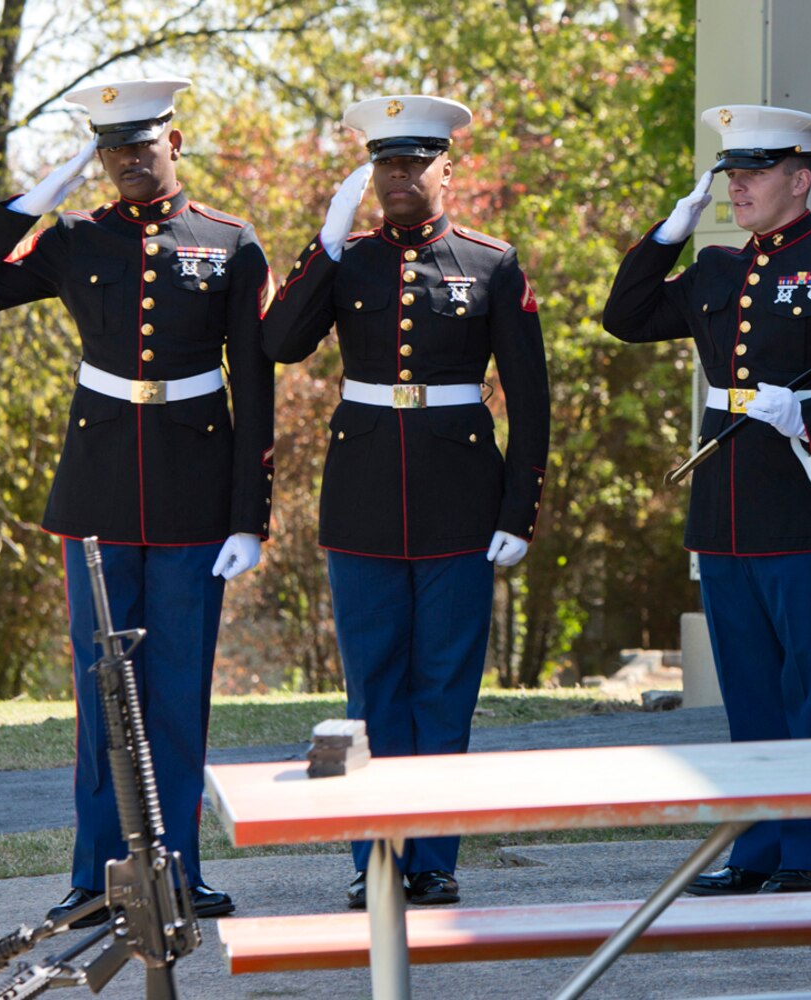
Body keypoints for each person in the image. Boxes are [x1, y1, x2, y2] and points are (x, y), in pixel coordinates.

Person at [0, 77, 274, 923]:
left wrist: (252, 515)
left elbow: (255, 386)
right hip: (98, 494)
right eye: (112, 150)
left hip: (195, 496)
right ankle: (100, 875)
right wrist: (35, 200)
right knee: (104, 692)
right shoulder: (73, 238)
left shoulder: (231, 243)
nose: (129, 162)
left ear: (175, 142)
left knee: (178, 693)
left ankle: (177, 870)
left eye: (142, 146)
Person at [603, 105, 811, 897]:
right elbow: (626, 316)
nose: (735, 186)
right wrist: (668, 233)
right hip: (728, 502)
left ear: (799, 178)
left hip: (809, 501)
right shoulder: (713, 267)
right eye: (729, 174)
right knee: (747, 687)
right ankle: (756, 850)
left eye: (753, 173)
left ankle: (809, 854)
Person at [262, 94, 550, 910]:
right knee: (373, 693)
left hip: (463, 498)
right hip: (362, 500)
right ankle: (376, 857)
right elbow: (277, 344)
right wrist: (319, 246)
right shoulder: (347, 260)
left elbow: (531, 402)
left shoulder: (492, 264)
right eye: (386, 163)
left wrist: (517, 511)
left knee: (444, 689)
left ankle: (433, 858)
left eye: (415, 163)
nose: (398, 177)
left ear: (446, 170)